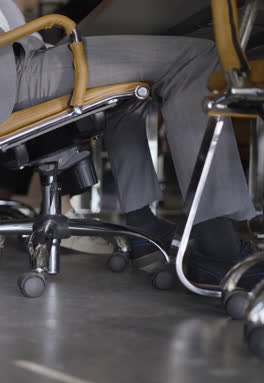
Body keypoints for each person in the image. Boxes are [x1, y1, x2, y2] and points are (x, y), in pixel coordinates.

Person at [0, 0, 262, 288]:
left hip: (18, 65)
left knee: (129, 92)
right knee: (195, 58)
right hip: (14, 73)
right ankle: (217, 248)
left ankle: (142, 226)